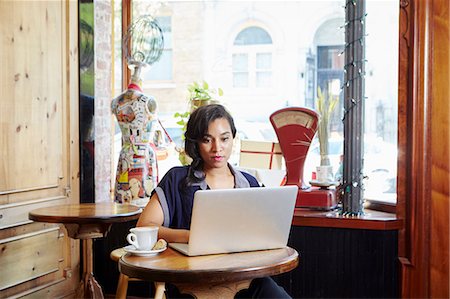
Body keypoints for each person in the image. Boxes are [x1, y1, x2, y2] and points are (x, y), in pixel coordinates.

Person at [137, 104, 291, 298]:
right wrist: (192, 237)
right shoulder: (177, 180)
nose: (217, 148)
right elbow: (145, 227)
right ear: (195, 143)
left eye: (224, 139)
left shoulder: (249, 183)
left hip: (246, 278)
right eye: (207, 140)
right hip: (193, 282)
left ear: (233, 138)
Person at [111, 74, 158, 206]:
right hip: (144, 154)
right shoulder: (149, 100)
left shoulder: (116, 101)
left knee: (128, 197)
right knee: (143, 198)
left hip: (126, 152)